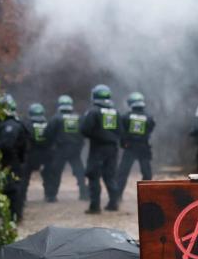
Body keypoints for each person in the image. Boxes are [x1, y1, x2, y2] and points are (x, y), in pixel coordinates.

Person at [80, 84, 121, 213]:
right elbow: (121, 130)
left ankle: (95, 206)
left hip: (97, 148)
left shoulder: (93, 111)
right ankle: (113, 204)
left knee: (93, 175)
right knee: (110, 176)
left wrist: (97, 135)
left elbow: (85, 129)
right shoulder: (116, 112)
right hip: (113, 148)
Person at [44, 95, 87, 201]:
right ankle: (84, 194)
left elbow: (47, 133)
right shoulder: (79, 117)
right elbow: (85, 132)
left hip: (60, 149)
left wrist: (50, 146)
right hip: (75, 150)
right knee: (79, 172)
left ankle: (51, 196)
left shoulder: (56, 118)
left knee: (56, 172)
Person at [0, 94, 29, 221]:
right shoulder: (12, 123)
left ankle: (15, 216)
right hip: (13, 161)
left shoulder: (11, 125)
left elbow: (6, 145)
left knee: (12, 189)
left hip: (9, 161)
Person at [115, 92, 155, 201]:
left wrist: (124, 144)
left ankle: (117, 197)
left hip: (130, 148)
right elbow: (150, 130)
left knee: (122, 173)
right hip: (144, 148)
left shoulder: (125, 117)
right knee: (147, 173)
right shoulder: (149, 117)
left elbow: (121, 133)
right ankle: (147, 197)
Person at [22, 103, 54, 202]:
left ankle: (22, 197)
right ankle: (50, 196)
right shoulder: (48, 124)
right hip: (46, 154)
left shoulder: (27, 124)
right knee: (48, 176)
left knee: (25, 177)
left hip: (31, 154)